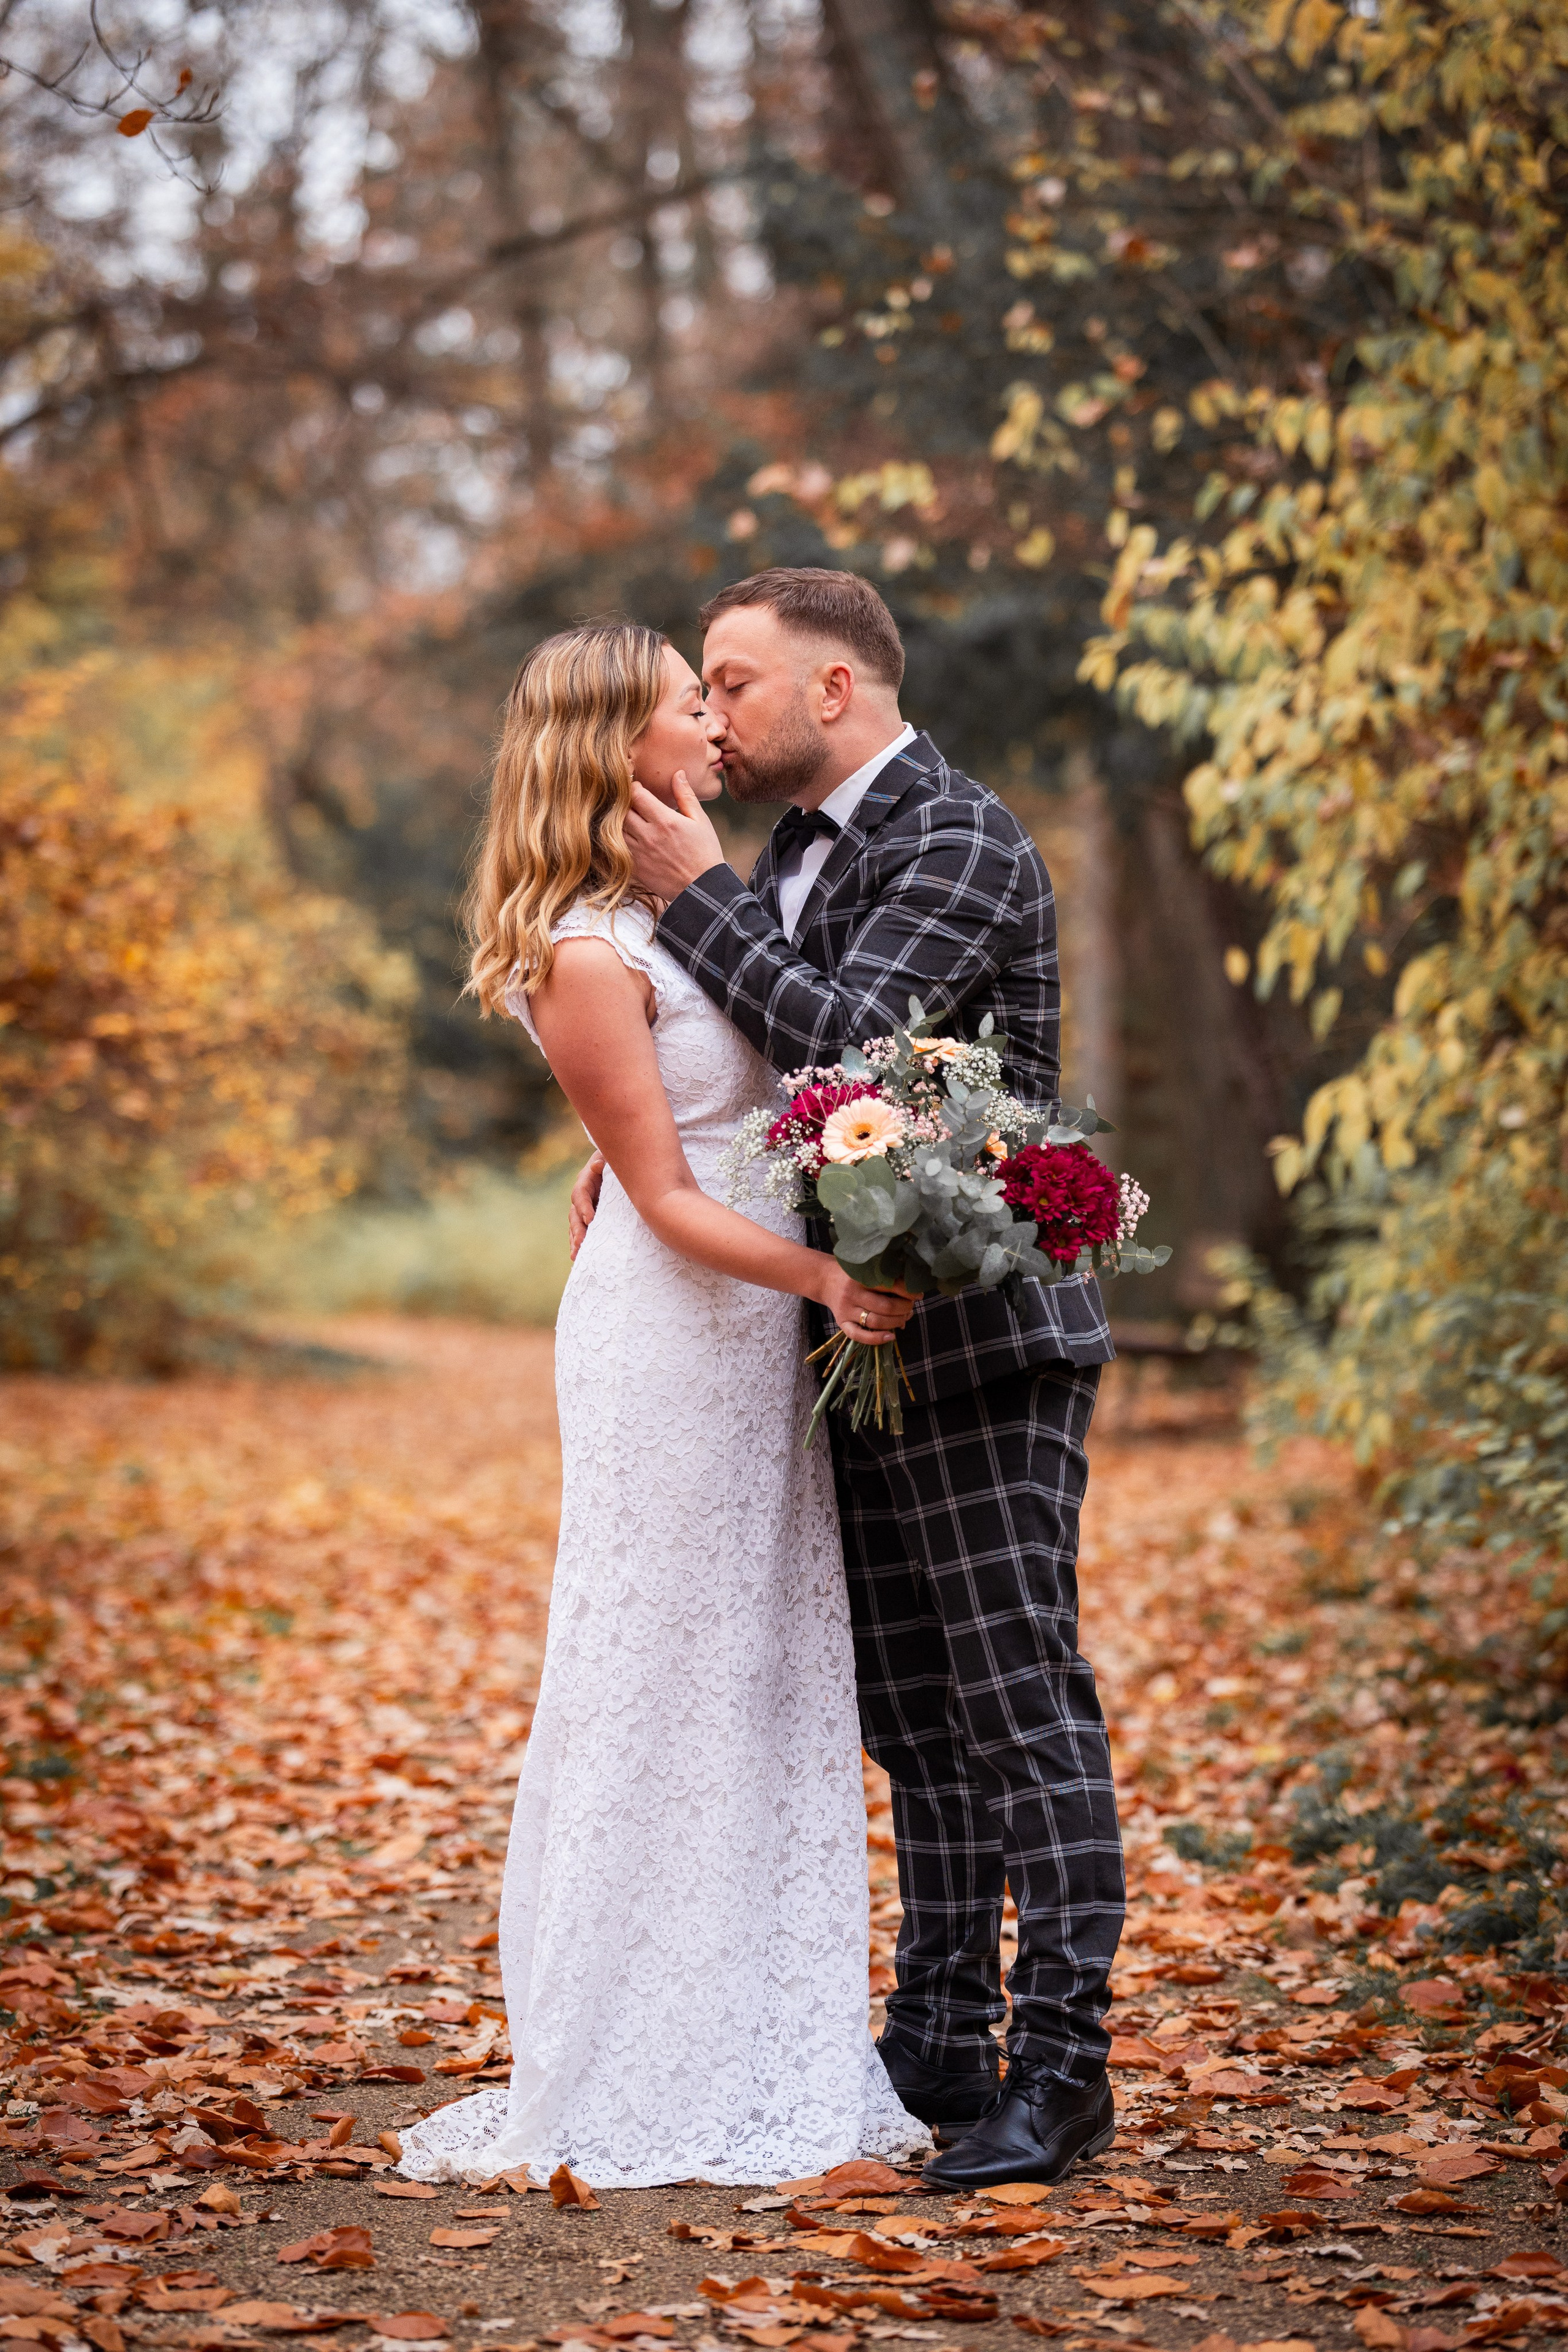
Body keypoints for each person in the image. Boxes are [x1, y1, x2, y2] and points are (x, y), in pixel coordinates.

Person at [573, 568, 1123, 2190]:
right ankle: (940, 2039)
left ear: (833, 692)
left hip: (984, 1345)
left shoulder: (952, 834)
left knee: (1022, 1706)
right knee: (918, 1719)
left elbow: (854, 1055)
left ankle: (1064, 2069)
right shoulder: (801, 858)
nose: (713, 717)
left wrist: (694, 899)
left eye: (732, 683)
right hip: (852, 1345)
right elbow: (765, 1081)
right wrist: (638, 1151)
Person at [394, 620, 925, 2190]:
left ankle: (762, 2023)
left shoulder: (681, 905)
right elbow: (666, 1199)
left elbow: (753, 1083)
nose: (712, 724)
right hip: (676, 1332)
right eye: (688, 705)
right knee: (658, 1666)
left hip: (743, 1334)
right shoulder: (577, 944)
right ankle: (628, 2049)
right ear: (612, 743)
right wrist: (824, 1283)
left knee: (755, 1667)